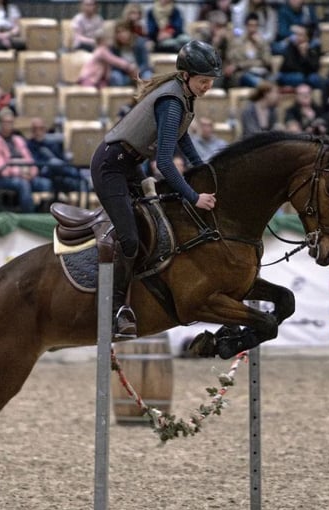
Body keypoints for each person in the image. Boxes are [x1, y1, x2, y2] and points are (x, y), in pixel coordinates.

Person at [91, 40, 219, 338]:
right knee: (131, 239)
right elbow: (163, 160)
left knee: (156, 229)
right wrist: (193, 196)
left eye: (211, 81)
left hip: (129, 165)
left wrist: (201, 168)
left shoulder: (184, 97)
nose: (208, 86)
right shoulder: (172, 101)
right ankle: (116, 310)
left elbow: (182, 137)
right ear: (186, 76)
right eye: (204, 81)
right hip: (111, 167)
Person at [0, 109, 52, 213]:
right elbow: (1, 168)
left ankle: (42, 213)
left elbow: (30, 160)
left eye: (11, 122)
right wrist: (21, 174)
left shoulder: (18, 139)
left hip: (23, 175)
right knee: (22, 184)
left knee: (45, 183)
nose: (8, 125)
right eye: (5, 122)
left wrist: (31, 173)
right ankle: (29, 216)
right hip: (0, 178)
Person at [26, 117, 84, 197]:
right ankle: (78, 175)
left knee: (71, 180)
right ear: (32, 131)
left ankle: (80, 181)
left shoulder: (53, 143)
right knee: (54, 162)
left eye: (41, 128)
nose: (38, 131)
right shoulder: (29, 144)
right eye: (35, 129)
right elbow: (33, 162)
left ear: (45, 129)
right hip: (42, 170)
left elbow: (62, 159)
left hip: (58, 171)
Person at [224, 11, 273, 88]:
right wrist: (255, 63)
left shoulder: (262, 42)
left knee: (274, 78)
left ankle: (265, 86)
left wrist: (260, 46)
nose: (253, 29)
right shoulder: (237, 42)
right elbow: (235, 63)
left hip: (260, 72)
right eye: (250, 25)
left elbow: (267, 61)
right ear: (246, 26)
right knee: (248, 78)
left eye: (255, 26)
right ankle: (263, 87)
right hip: (243, 74)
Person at [276, 24, 325, 90]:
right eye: (296, 34)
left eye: (300, 35)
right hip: (287, 74)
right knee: (299, 77)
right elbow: (289, 66)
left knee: (314, 78)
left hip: (305, 75)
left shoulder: (314, 47)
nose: (296, 37)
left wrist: (304, 55)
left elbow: (315, 67)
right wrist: (300, 55)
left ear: (307, 38)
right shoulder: (291, 45)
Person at [109, 20, 153, 86]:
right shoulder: (114, 47)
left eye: (124, 31)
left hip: (140, 73)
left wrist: (137, 71)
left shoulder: (139, 42)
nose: (122, 35)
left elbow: (145, 63)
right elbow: (113, 66)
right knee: (115, 76)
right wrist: (127, 69)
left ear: (130, 32)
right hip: (124, 74)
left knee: (148, 75)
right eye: (118, 32)